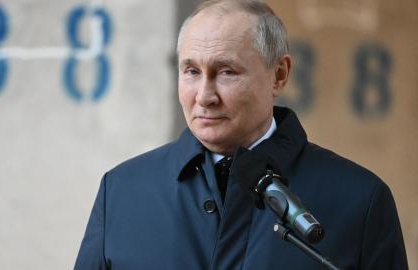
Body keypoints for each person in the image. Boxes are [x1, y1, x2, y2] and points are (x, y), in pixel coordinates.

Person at [74, 0, 408, 269]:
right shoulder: (121, 191)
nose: (204, 95)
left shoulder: (360, 200)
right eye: (191, 71)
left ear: (279, 75)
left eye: (226, 72)